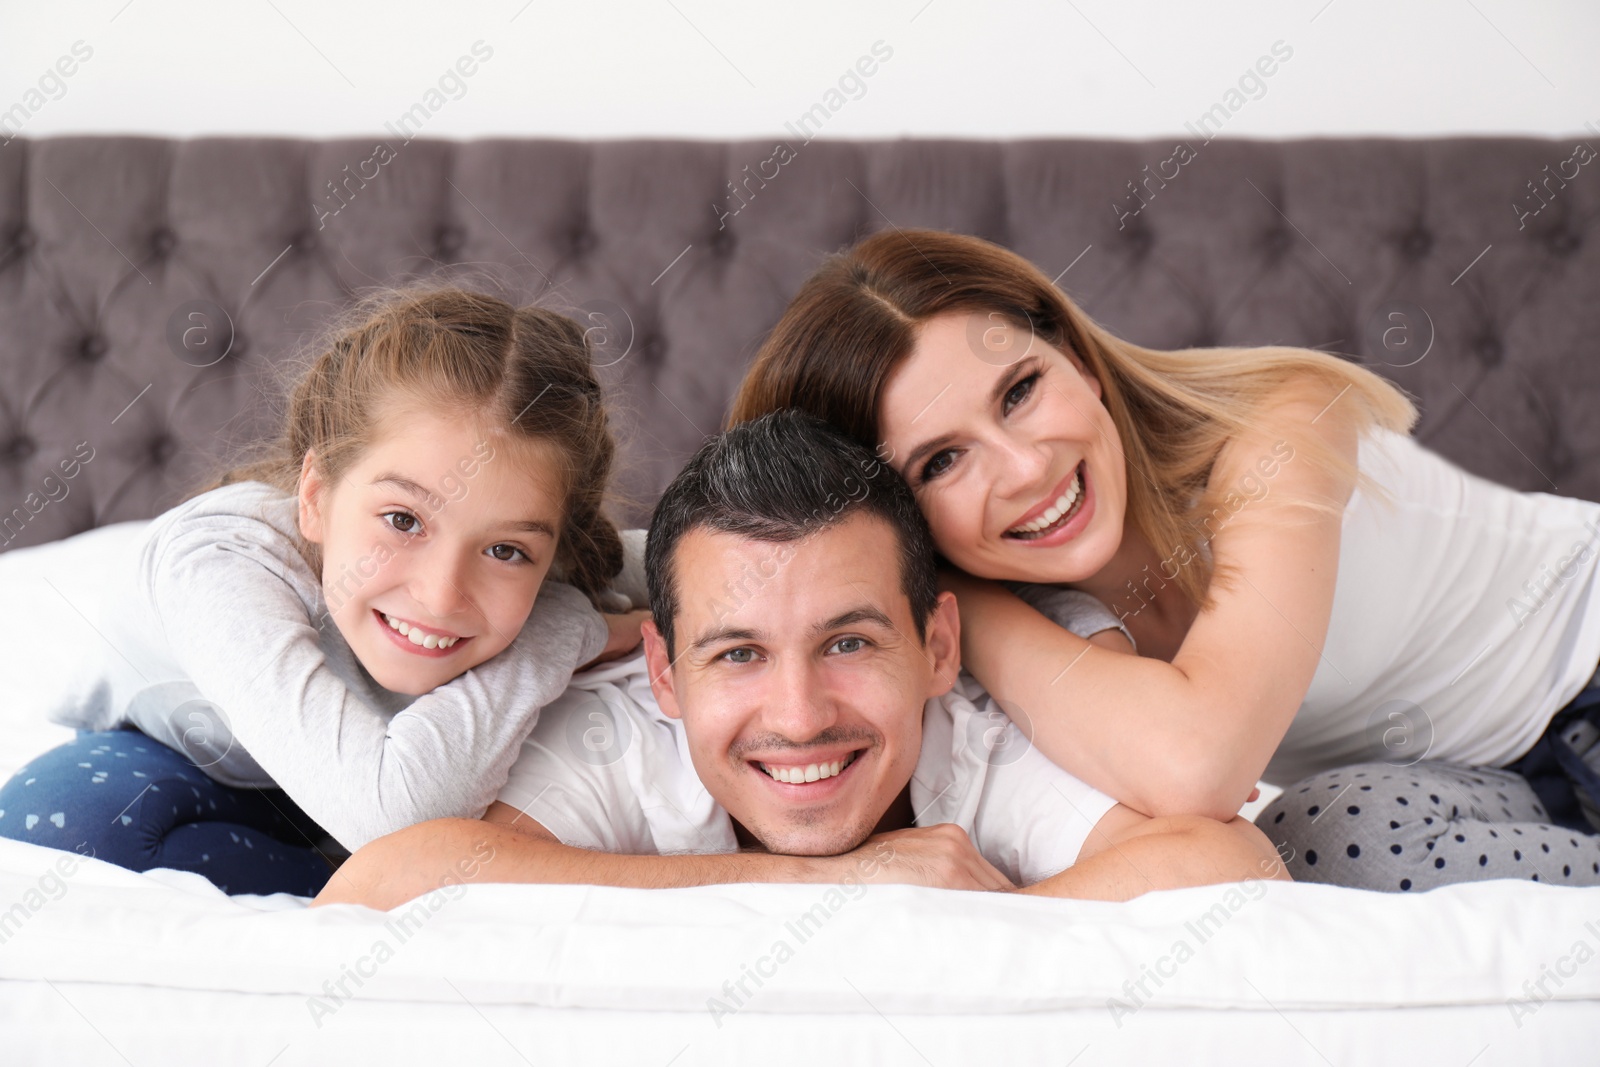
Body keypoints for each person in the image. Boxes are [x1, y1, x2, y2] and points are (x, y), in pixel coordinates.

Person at [728, 227, 1600, 892]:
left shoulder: (1277, 427)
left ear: (1077, 360)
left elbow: (1199, 763)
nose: (1027, 468)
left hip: (1587, 677)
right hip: (1487, 782)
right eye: (942, 461)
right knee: (1321, 842)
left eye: (1021, 391)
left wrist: (950, 598)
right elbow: (708, 575)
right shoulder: (1042, 615)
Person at [314, 412, 1286, 910]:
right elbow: (378, 885)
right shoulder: (620, 726)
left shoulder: (983, 734)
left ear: (937, 646)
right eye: (736, 652)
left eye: (850, 641)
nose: (798, 711)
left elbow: (1224, 863)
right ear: (663, 672)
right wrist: (837, 886)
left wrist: (969, 914)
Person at [0, 288, 647, 895]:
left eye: (506, 550)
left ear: (556, 550)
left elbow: (709, 565)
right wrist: (558, 630)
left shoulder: (555, 560)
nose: (442, 594)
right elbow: (400, 817)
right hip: (192, 763)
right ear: (315, 496)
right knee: (52, 827)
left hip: (362, 789)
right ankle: (342, 877)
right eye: (403, 520)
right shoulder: (216, 563)